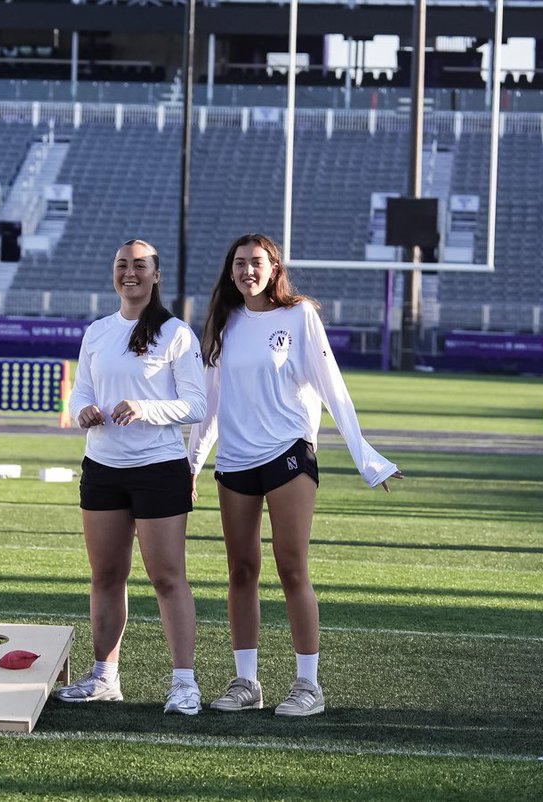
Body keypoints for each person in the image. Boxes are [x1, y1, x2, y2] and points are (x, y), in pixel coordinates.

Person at [187, 233, 403, 717]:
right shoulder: (223, 322)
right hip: (236, 462)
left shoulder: (300, 315)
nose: (247, 271)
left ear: (273, 267)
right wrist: (193, 462)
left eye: (256, 262)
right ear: (230, 271)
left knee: (292, 568)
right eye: (239, 263)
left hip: (288, 454)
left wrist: (367, 458)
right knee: (240, 571)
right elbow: (210, 403)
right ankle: (247, 682)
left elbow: (333, 388)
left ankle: (308, 685)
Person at [55, 239, 207, 715]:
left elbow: (197, 405)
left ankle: (184, 682)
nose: (130, 273)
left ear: (156, 275)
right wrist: (83, 413)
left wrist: (145, 408)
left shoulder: (177, 333)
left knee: (167, 577)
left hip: (159, 469)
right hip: (102, 468)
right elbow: (79, 394)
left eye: (140, 266)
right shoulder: (97, 332)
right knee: (105, 576)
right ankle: (104, 676)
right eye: (122, 265)